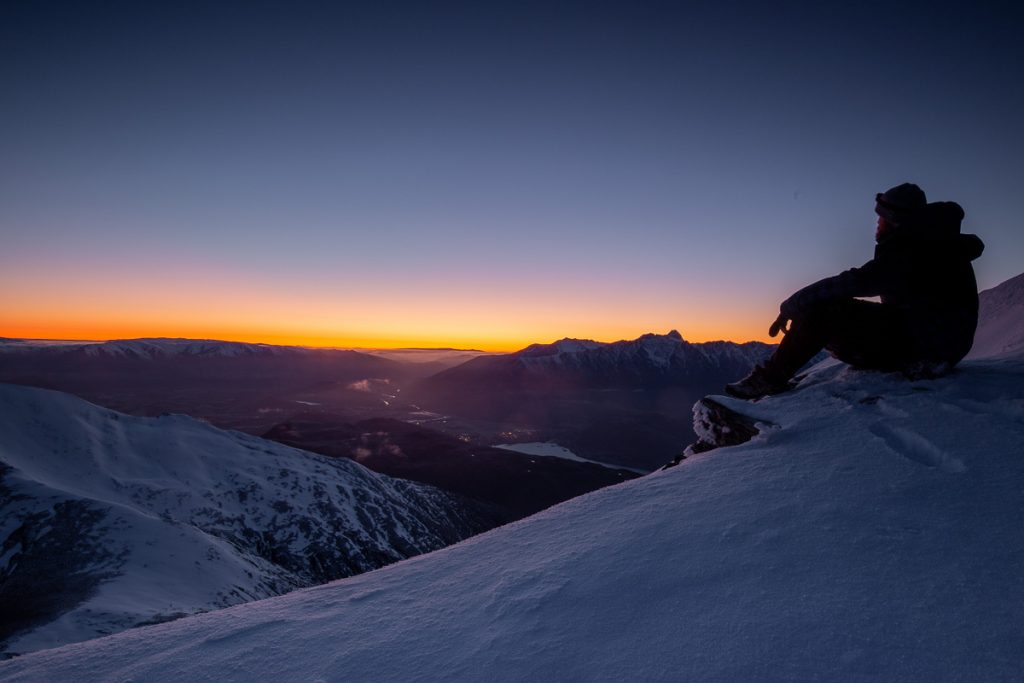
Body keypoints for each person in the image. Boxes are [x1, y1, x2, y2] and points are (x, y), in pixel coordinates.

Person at [726, 183, 985, 400]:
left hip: (926, 348)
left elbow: (857, 281)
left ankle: (770, 380)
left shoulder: (915, 251)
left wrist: (792, 306)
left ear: (896, 221)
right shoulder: (933, 244)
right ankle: (774, 374)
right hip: (934, 343)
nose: (877, 223)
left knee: (826, 311)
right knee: (830, 308)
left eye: (881, 217)